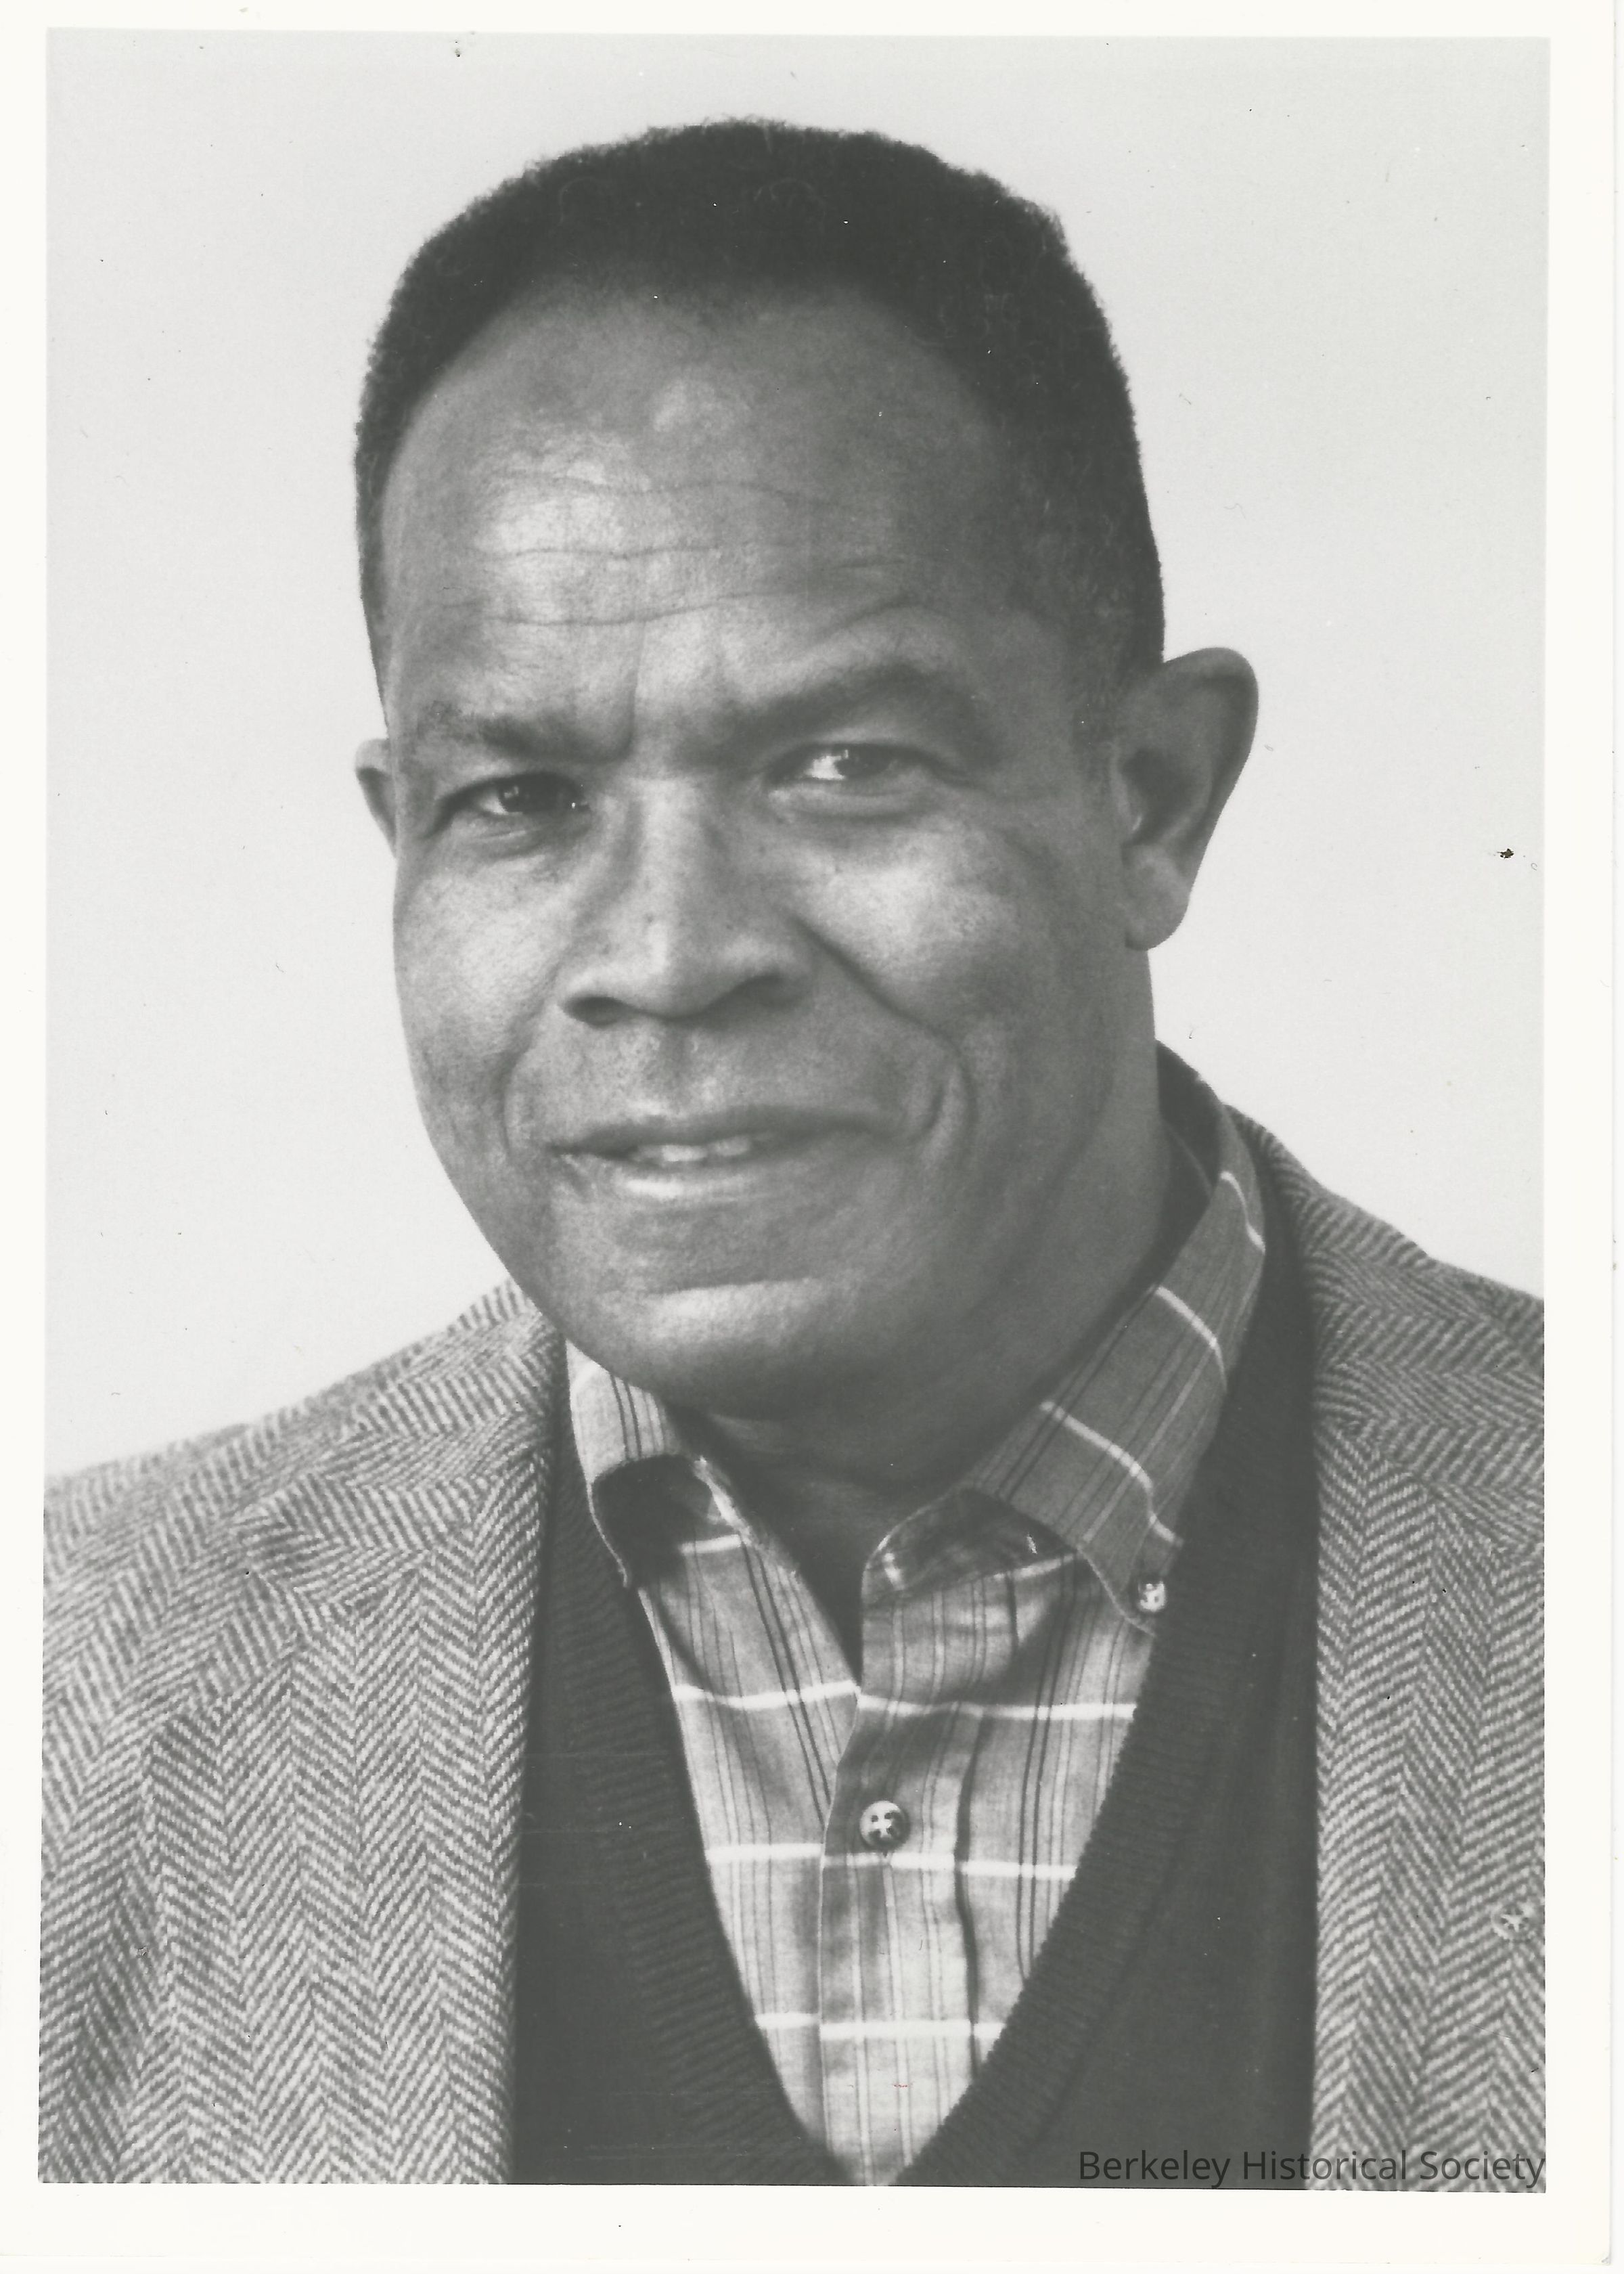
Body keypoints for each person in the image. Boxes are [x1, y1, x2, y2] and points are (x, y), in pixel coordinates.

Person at [41, 119, 1542, 2189]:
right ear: (403, 839)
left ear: (1150, 798)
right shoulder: (76, 1691)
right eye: (519, 800)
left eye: (843, 764)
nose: (669, 956)